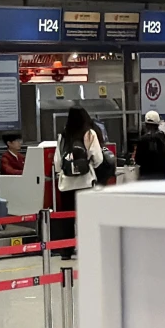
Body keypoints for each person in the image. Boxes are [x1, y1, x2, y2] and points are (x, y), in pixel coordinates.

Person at [54, 106, 104, 260]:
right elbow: (98, 158)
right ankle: (87, 248)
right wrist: (88, 167)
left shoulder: (64, 135)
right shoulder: (89, 134)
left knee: (67, 218)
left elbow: (57, 161)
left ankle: (66, 251)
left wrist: (62, 172)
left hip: (67, 184)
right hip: (85, 182)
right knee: (86, 217)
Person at [135, 111, 165, 181]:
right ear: (158, 124)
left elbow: (138, 160)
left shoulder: (143, 139)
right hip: (162, 176)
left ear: (146, 124)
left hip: (145, 177)